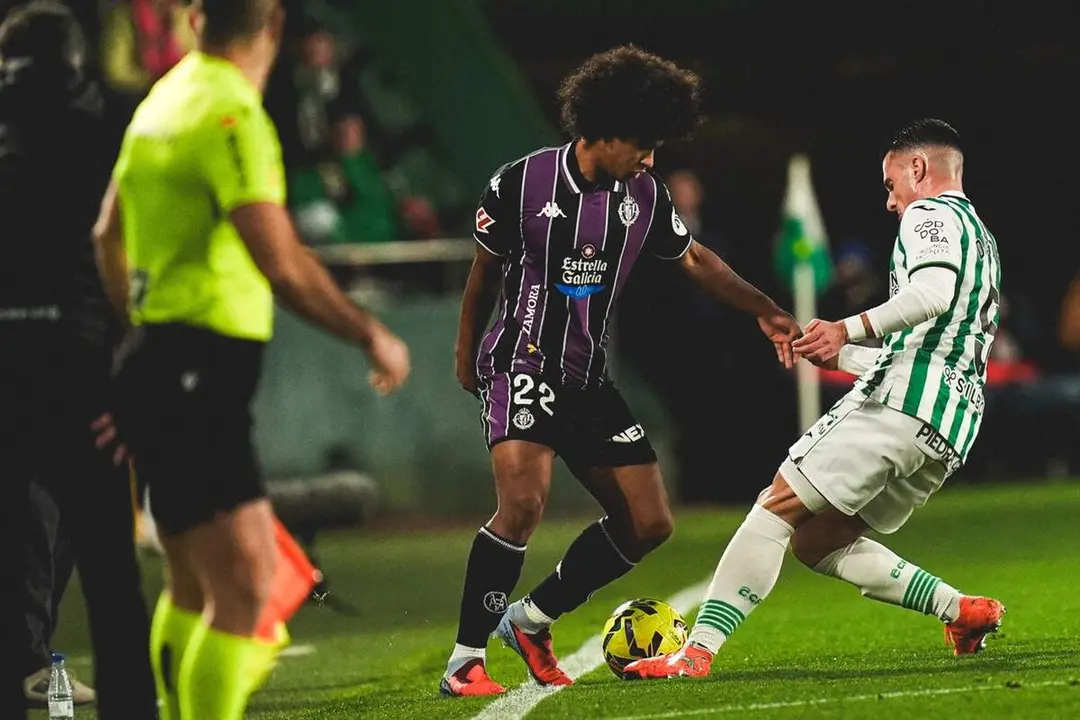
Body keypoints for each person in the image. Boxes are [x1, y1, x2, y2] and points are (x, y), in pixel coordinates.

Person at [443, 45, 802, 697]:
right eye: (643, 143)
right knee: (522, 504)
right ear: (601, 129)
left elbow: (694, 260)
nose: (651, 158)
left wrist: (766, 310)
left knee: (648, 523)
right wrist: (466, 353)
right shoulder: (520, 184)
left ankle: (531, 619)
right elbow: (482, 272)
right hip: (520, 363)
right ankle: (466, 660)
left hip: (586, 379)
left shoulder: (642, 196)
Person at [91, 1, 411, 718]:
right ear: (272, 27)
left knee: (191, 590)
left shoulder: (163, 96)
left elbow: (106, 234)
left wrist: (144, 334)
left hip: (160, 356)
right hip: (198, 367)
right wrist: (369, 333)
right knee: (247, 590)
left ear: (196, 21)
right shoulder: (232, 112)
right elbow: (281, 262)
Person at [624, 118, 1006, 681]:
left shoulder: (930, 214)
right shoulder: (981, 236)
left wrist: (846, 329)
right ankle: (961, 610)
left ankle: (695, 653)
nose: (891, 201)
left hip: (901, 407)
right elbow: (938, 343)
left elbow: (932, 293)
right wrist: (842, 357)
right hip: (948, 425)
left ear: (918, 169)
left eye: (891, 183)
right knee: (817, 540)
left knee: (774, 507)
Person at [0, 2, 158, 717]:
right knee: (103, 559)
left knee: (21, 517)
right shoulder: (105, 129)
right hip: (82, 363)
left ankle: (24, 665)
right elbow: (118, 244)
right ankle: (126, 699)